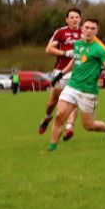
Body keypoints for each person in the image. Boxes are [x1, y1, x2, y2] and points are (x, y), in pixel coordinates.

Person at [49, 18, 105, 151]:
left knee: (89, 125)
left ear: (97, 31)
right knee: (60, 116)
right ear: (82, 28)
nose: (89, 31)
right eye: (87, 27)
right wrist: (60, 74)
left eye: (93, 29)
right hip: (72, 86)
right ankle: (51, 150)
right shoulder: (77, 44)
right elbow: (75, 61)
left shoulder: (100, 48)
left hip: (88, 91)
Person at [39, 8, 82, 140]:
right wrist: (64, 53)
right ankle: (47, 118)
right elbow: (49, 49)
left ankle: (69, 128)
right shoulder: (61, 32)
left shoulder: (85, 33)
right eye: (72, 17)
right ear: (67, 19)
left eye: (77, 17)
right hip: (61, 72)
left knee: (73, 100)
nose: (74, 20)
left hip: (77, 72)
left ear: (80, 19)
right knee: (52, 102)